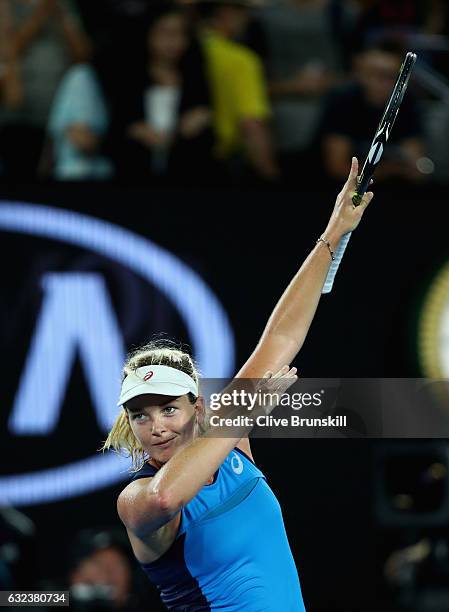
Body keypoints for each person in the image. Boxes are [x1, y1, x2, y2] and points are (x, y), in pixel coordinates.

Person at [102, 157, 374, 610]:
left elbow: (283, 334)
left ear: (198, 406)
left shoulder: (231, 439)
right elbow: (168, 496)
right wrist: (242, 416)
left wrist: (335, 232)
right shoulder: (136, 501)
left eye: (169, 408)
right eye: (141, 415)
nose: (157, 426)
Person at [111, 2, 214, 184]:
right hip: (133, 174)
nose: (172, 41)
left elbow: (209, 116)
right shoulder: (127, 76)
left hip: (186, 175)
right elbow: (116, 124)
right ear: (149, 33)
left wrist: (201, 119)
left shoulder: (195, 76)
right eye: (165, 33)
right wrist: (134, 130)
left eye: (180, 34)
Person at [317, 38, 425, 184]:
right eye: (372, 74)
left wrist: (410, 167)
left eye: (388, 76)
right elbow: (337, 168)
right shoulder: (343, 99)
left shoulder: (407, 101)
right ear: (359, 73)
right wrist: (393, 169)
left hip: (393, 191)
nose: (379, 83)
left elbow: (416, 167)